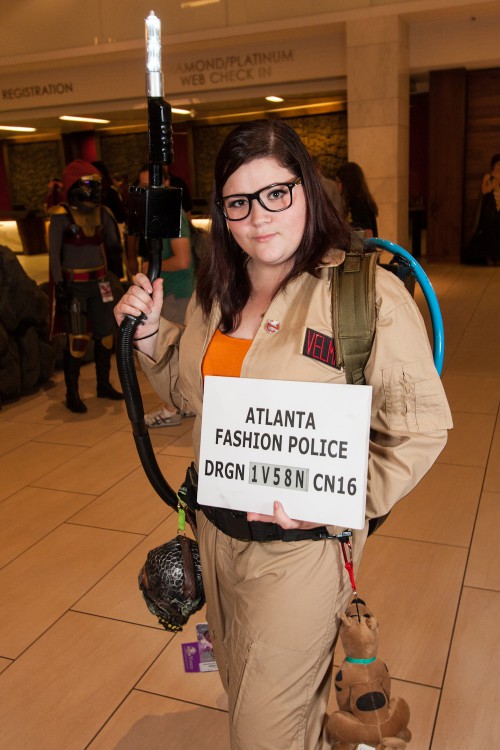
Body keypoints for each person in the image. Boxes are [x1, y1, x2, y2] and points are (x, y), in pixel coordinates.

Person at [114, 120, 452, 750]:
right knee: (251, 691)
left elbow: (420, 427)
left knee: (262, 732)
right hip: (214, 536)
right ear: (220, 211)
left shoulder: (366, 295)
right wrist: (150, 336)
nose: (259, 218)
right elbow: (192, 393)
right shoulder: (218, 287)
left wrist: (341, 498)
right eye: (238, 202)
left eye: (276, 193)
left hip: (302, 552)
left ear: (307, 189)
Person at [49, 159, 124, 413]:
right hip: (75, 286)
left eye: (97, 185)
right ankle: (72, 393)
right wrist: (59, 284)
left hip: (101, 283)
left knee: (106, 336)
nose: (95, 190)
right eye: (89, 184)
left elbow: (113, 246)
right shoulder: (61, 215)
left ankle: (103, 384)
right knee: (77, 340)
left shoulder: (104, 213)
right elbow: (54, 253)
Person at [132, 164, 196, 427]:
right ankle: (184, 403)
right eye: (144, 185)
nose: (150, 190)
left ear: (167, 183)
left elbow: (182, 260)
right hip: (169, 293)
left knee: (169, 353)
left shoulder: (174, 215)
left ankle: (172, 409)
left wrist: (150, 267)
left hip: (177, 295)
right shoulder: (159, 214)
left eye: (155, 183)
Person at [335, 161, 379, 238]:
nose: (336, 185)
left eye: (338, 182)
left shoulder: (358, 202)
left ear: (347, 183)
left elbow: (368, 232)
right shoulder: (358, 200)